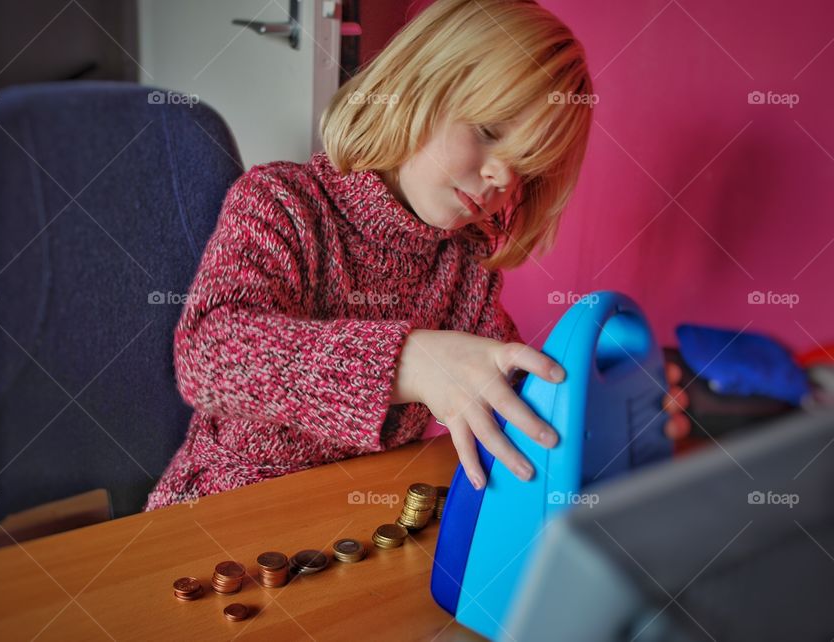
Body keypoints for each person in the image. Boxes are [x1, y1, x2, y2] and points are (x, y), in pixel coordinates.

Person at [143, 0, 689, 511]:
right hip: (217, 513)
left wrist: (603, 409)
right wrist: (412, 363)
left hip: (346, 523)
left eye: (524, 167)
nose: (501, 176)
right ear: (414, 88)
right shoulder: (282, 204)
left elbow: (504, 392)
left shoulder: (464, 267)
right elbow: (208, 355)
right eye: (488, 131)